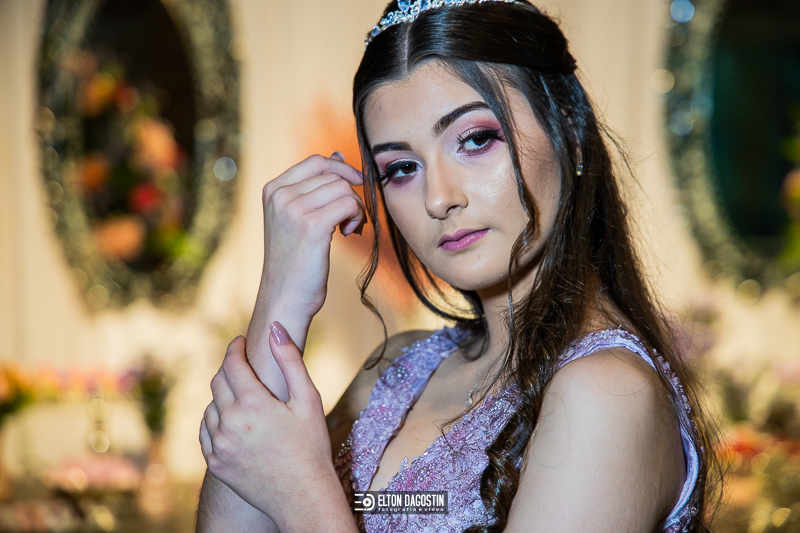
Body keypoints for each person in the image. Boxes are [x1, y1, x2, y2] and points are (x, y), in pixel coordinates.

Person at [196, 0, 718, 531]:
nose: (438, 198)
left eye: (476, 139)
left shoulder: (606, 394)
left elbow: (295, 497)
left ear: (571, 133)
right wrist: (283, 294)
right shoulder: (396, 372)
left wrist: (303, 493)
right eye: (402, 168)